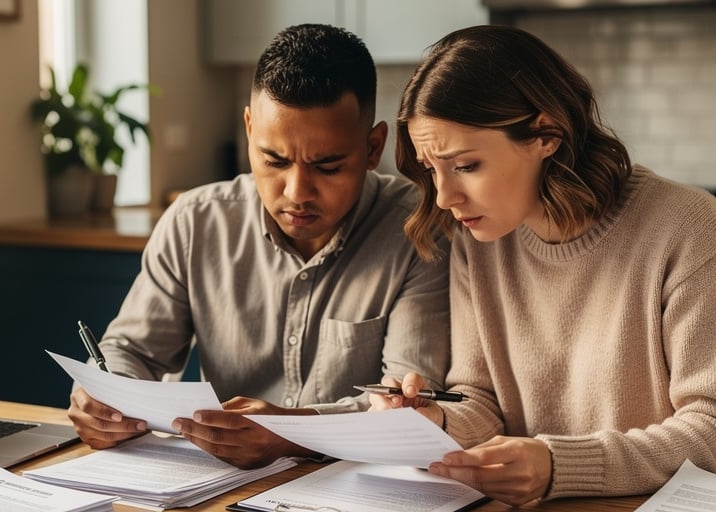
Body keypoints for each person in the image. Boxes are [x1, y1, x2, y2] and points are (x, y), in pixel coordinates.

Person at [371, 25, 716, 506]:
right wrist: (435, 419)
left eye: (467, 166)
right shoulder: (479, 237)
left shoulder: (687, 227)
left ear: (546, 135)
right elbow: (481, 399)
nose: (445, 196)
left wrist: (560, 465)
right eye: (431, 169)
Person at [68, 24, 450, 469]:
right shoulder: (195, 222)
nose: (297, 192)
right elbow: (132, 350)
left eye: (327, 166)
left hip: (362, 488)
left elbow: (409, 406)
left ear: (372, 147)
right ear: (249, 128)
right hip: (219, 490)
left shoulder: (420, 230)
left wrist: (292, 432)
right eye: (274, 160)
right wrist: (102, 394)